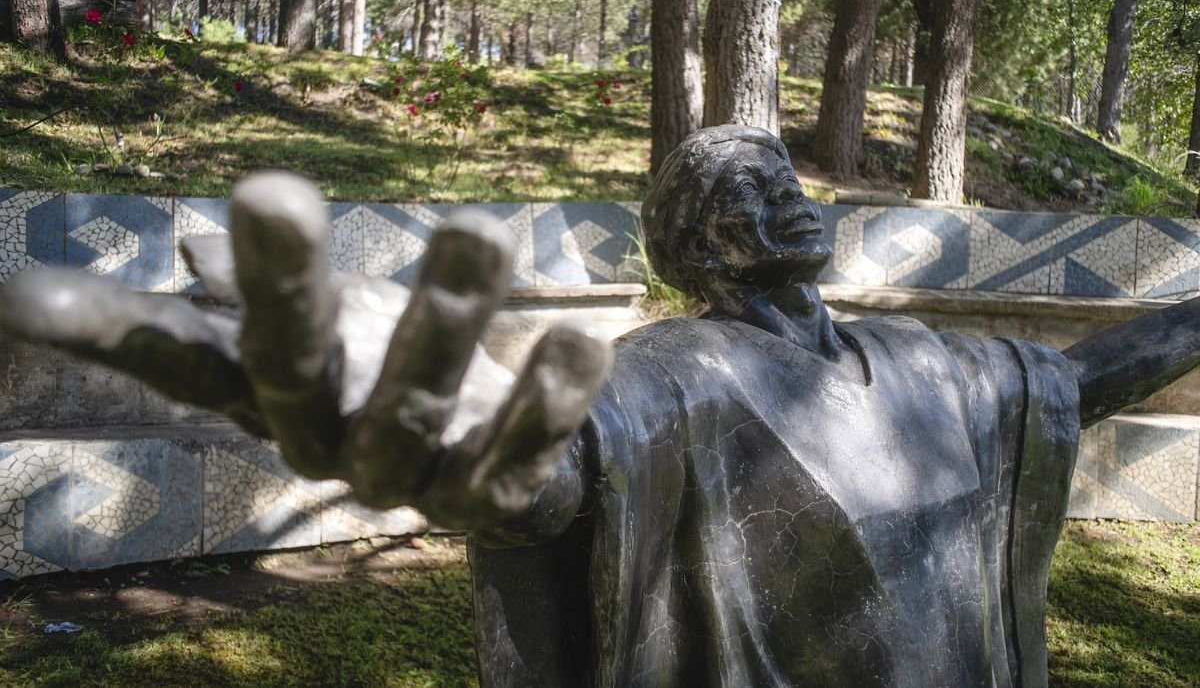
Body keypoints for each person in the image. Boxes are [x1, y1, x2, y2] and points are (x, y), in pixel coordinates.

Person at [2, 125, 1197, 688]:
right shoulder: (671, 369)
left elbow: (1081, 381)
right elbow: (571, 464)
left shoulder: (929, 358)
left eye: (783, 174)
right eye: (740, 190)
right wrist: (469, 467)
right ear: (691, 247)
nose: (782, 194)